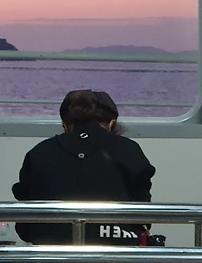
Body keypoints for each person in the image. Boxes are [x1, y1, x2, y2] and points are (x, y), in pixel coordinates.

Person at [12, 89, 156, 245]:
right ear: (112, 124)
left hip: (51, 250)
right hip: (118, 250)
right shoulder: (129, 150)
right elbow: (144, 216)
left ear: (65, 126)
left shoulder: (39, 152)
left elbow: (25, 227)